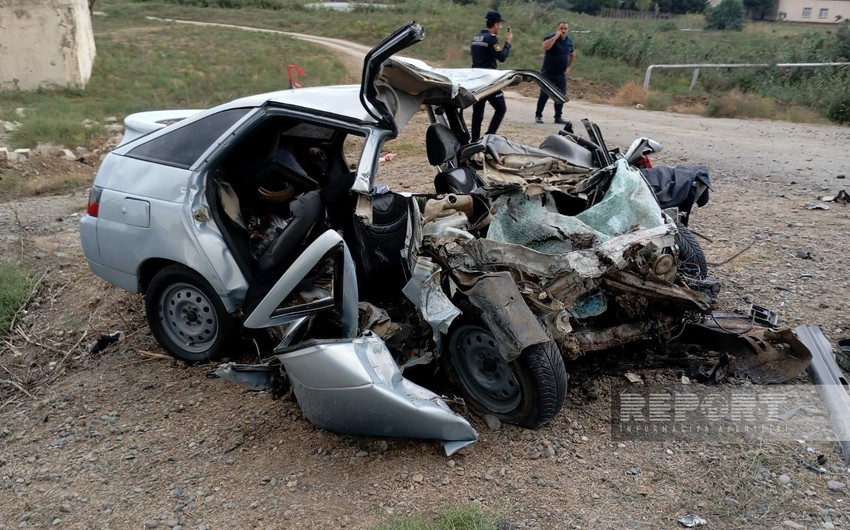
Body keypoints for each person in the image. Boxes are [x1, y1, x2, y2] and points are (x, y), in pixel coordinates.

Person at [469, 10, 512, 142]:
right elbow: (502, 57)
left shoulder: (476, 38)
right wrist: (508, 43)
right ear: (496, 24)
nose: (501, 27)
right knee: (501, 108)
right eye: (500, 24)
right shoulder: (491, 39)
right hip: (489, 80)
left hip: (476, 79)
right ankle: (489, 136)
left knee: (478, 111)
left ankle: (474, 140)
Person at [535, 21, 575, 125]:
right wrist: (555, 37)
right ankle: (538, 115)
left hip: (561, 74)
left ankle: (558, 117)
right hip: (548, 73)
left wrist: (569, 67)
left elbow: (572, 54)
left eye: (565, 29)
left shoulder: (569, 41)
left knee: (560, 95)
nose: (563, 31)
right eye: (561, 28)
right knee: (544, 95)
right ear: (557, 29)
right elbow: (545, 47)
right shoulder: (550, 38)